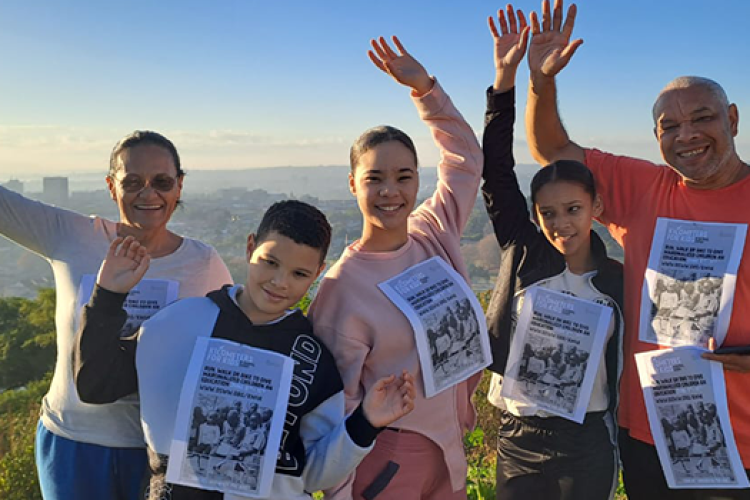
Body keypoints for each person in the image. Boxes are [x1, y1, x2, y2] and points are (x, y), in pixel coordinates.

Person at [523, 0, 750, 497]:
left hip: (744, 445)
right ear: (656, 136)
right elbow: (553, 151)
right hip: (651, 436)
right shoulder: (644, 188)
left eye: (703, 118)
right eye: (670, 127)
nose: (687, 135)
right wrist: (541, 83)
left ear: (732, 119)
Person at [74, 200, 417, 500]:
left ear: (318, 273)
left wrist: (365, 423)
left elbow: (315, 475)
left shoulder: (314, 361)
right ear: (250, 246)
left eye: (299, 273)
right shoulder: (177, 323)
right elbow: (95, 386)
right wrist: (108, 296)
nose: (280, 282)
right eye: (270, 262)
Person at [0, 130, 232, 499]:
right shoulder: (71, 236)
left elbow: (235, 344)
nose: (148, 194)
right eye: (132, 182)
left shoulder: (203, 263)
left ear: (179, 186)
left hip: (158, 452)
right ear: (112, 186)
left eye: (162, 182)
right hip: (73, 441)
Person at [308, 36, 483, 499]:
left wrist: (426, 90)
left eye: (403, 177)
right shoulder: (343, 287)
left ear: (417, 181)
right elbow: (335, 406)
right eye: (374, 179)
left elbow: (466, 161)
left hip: (449, 448)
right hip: (387, 459)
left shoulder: (432, 233)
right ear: (353, 184)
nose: (390, 191)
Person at [481, 5, 624, 499]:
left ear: (596, 208)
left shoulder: (616, 282)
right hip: (518, 436)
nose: (561, 223)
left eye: (573, 209)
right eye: (548, 213)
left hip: (587, 440)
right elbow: (496, 170)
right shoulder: (525, 253)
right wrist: (505, 80)